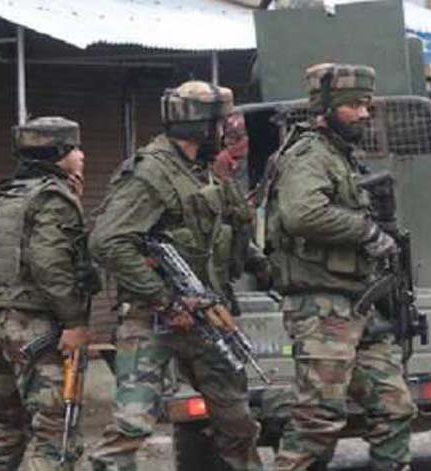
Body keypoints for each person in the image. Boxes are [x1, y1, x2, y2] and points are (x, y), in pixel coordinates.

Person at [88, 81, 262, 471]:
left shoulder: (203, 171)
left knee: (238, 423)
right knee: (132, 425)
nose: (229, 132)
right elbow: (107, 241)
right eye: (222, 123)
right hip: (151, 318)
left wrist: (264, 266)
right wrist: (166, 301)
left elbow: (222, 233)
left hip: (207, 318)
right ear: (202, 126)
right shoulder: (152, 172)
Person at [265, 63, 417, 471]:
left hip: (356, 304)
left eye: (367, 105)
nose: (364, 114)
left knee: (394, 406)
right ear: (326, 109)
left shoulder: (341, 157)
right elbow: (302, 213)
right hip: (321, 306)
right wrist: (366, 232)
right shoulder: (309, 155)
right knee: (318, 419)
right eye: (354, 106)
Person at [0, 116, 96, 471]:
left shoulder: (4, 197)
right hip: (33, 325)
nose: (82, 155)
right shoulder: (52, 198)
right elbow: (50, 264)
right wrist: (74, 321)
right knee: (55, 430)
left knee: (6, 427)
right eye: (75, 149)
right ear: (59, 154)